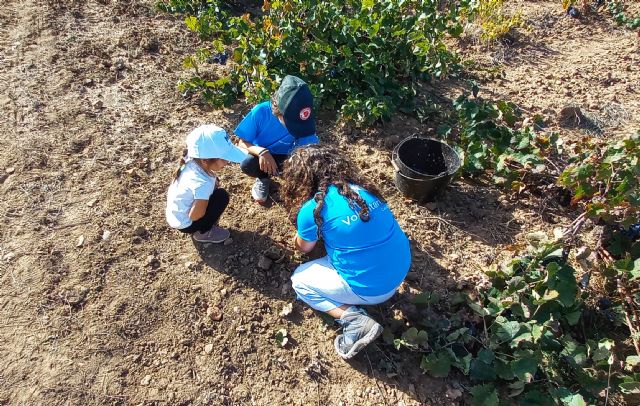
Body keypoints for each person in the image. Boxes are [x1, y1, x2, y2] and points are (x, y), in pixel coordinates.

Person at [281, 145, 411, 359]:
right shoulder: (364, 190)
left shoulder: (313, 209)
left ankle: (353, 320)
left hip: (371, 290)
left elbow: (304, 247)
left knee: (300, 280)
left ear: (301, 179)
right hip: (399, 271)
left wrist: (299, 234)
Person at [235, 75, 318, 204]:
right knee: (248, 164)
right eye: (292, 123)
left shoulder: (303, 115)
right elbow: (241, 142)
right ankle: (263, 178)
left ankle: (292, 181)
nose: (296, 127)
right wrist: (262, 152)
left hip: (289, 157)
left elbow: (310, 148)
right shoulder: (261, 112)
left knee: (311, 170)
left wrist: (298, 165)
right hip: (264, 158)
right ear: (278, 111)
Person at [166, 124, 248, 243]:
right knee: (222, 196)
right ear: (205, 161)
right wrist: (205, 198)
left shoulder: (191, 160)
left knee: (216, 192)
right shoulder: (203, 184)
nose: (228, 162)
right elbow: (195, 216)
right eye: (224, 159)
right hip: (186, 224)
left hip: (175, 215)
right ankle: (204, 232)